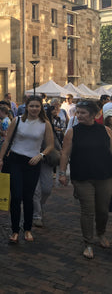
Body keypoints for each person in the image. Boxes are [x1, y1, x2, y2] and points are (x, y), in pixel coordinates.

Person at [58, 100, 112, 259]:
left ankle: (101, 233)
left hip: (105, 175)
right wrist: (62, 173)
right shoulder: (72, 132)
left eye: (83, 112)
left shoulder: (106, 130)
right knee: (88, 210)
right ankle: (88, 242)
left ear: (94, 115)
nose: (79, 115)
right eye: (78, 112)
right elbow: (65, 153)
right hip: (82, 177)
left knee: (102, 210)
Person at [0, 95, 54, 243]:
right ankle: (15, 230)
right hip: (16, 160)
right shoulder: (18, 120)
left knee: (28, 197)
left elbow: (50, 145)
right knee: (15, 196)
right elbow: (7, 140)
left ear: (41, 108)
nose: (34, 109)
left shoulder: (45, 124)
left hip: (33, 163)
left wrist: (41, 155)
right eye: (32, 106)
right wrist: (0, 158)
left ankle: (27, 229)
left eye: (37, 106)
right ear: (26, 107)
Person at [32, 103, 64, 227]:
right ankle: (37, 214)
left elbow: (54, 141)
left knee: (46, 188)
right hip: (31, 159)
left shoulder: (46, 125)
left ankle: (38, 206)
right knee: (36, 190)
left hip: (46, 160)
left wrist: (60, 151)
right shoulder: (25, 124)